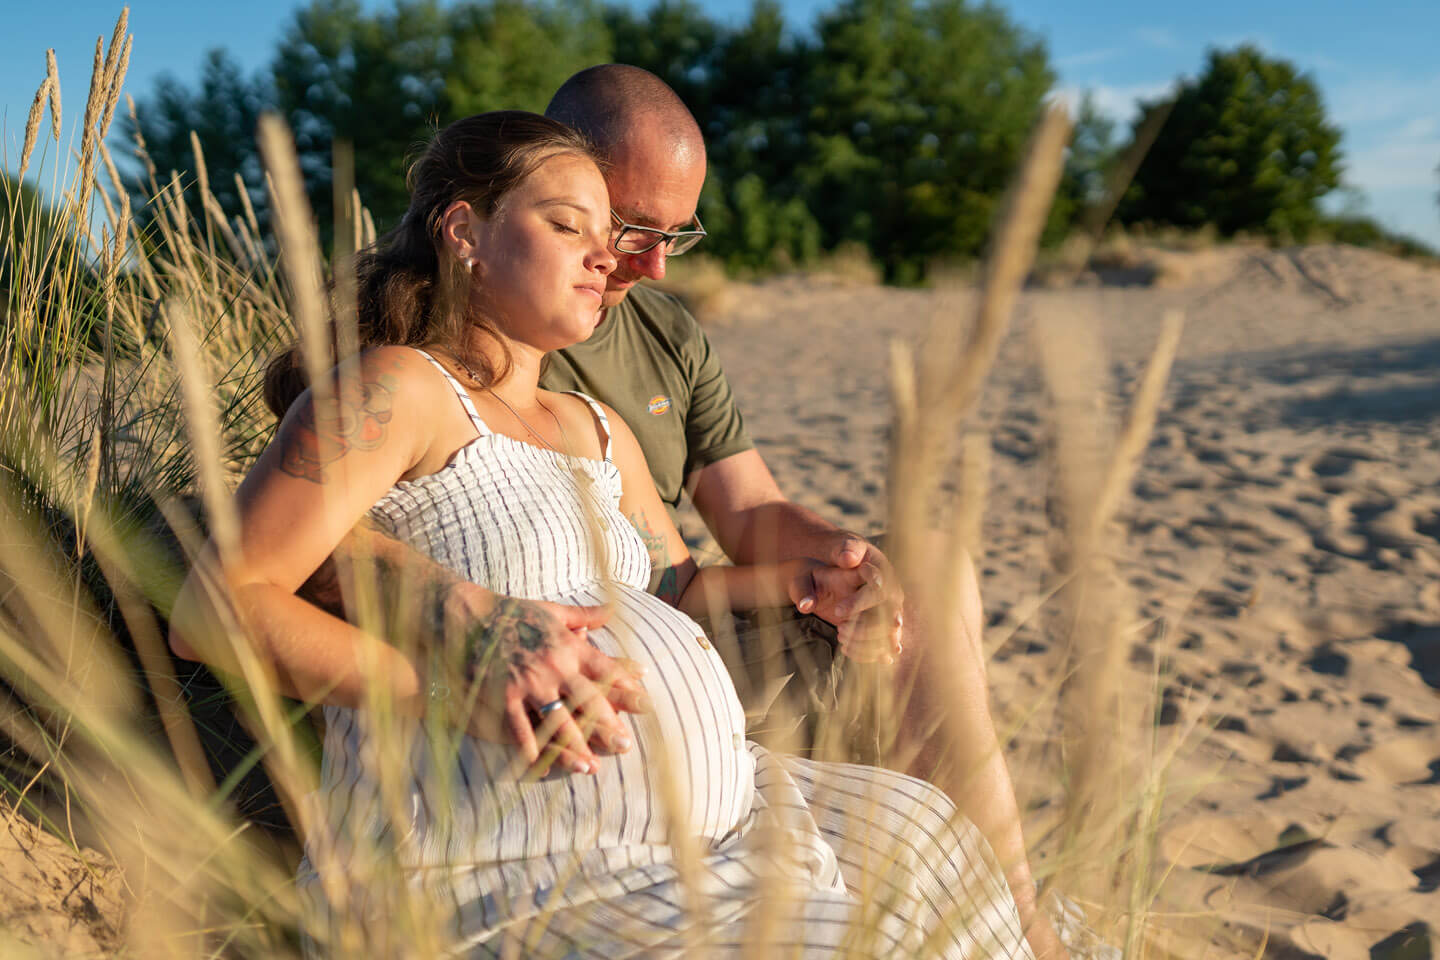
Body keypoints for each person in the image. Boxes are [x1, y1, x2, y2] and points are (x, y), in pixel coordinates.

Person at [170, 110, 1035, 957]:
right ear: (465, 231)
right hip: (514, 865)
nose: (607, 255)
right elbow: (219, 608)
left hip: (723, 828)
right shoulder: (398, 391)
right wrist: (443, 688)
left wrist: (809, 582)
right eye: (566, 224)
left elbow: (681, 592)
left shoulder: (599, 427)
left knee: (937, 849)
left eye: (611, 233)